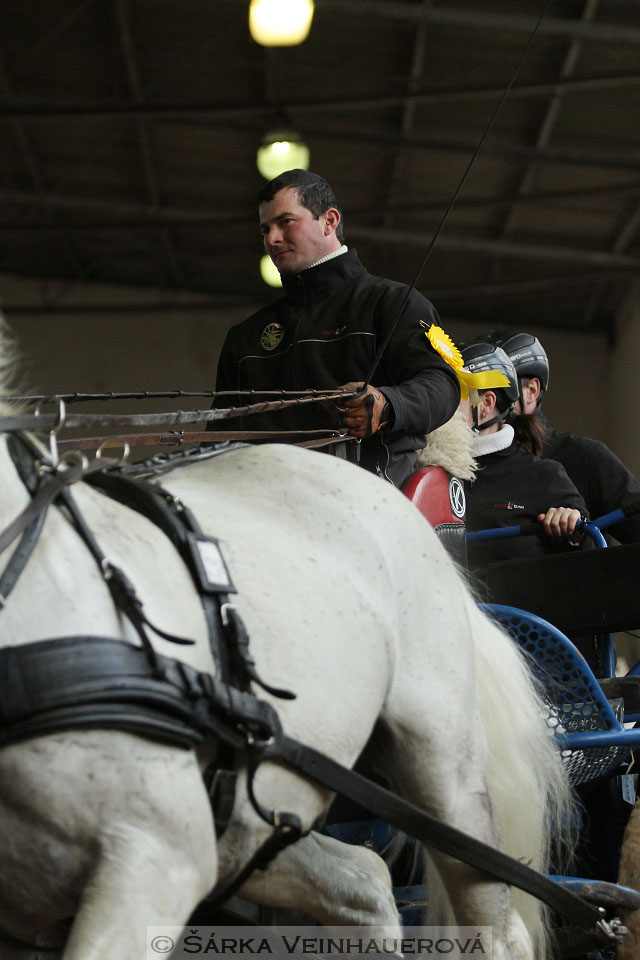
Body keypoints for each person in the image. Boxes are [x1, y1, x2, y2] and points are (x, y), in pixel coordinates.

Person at [214, 169, 460, 487]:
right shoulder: (244, 337)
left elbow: (442, 384)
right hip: (267, 504)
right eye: (265, 229)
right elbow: (219, 438)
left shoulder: (394, 302)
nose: (272, 239)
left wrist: (389, 404)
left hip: (376, 500)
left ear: (329, 221)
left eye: (286, 222)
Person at [482, 328, 640, 544]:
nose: (489, 401)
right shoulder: (472, 467)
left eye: (503, 387)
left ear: (532, 391)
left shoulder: (585, 458)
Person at [460, 341, 588, 578]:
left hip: (516, 613)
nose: (438, 404)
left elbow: (587, 561)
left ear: (486, 404)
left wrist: (571, 528)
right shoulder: (428, 472)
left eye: (453, 393)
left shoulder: (544, 476)